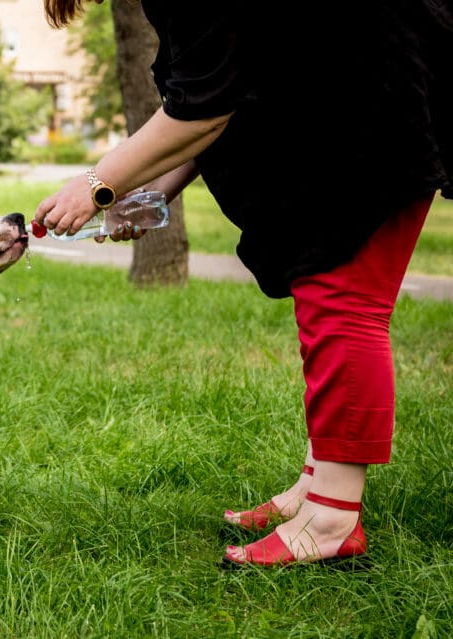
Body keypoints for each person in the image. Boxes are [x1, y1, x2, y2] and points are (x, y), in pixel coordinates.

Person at [37, 0, 451, 566]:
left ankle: (332, 519)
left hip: (376, 94)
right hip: (350, 83)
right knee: (323, 293)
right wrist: (156, 191)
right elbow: (222, 88)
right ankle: (317, 486)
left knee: (342, 302)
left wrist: (95, 183)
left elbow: (204, 107)